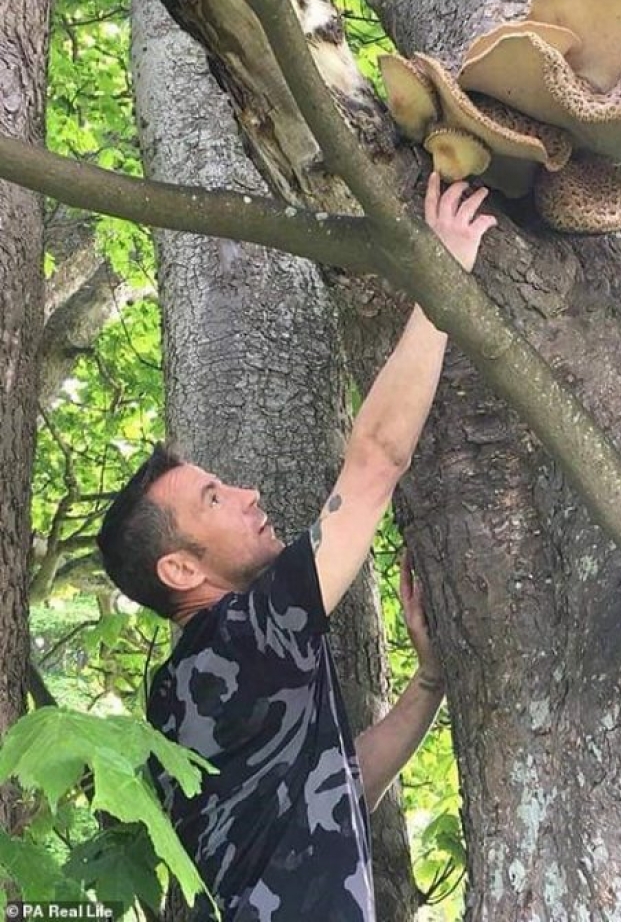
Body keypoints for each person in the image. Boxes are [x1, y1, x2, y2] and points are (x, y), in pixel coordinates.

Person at [96, 174, 497, 922]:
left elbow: (338, 788)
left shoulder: (180, 696)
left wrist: (429, 681)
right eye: (213, 498)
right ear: (180, 568)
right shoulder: (244, 638)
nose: (247, 493)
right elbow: (374, 463)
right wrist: (442, 274)